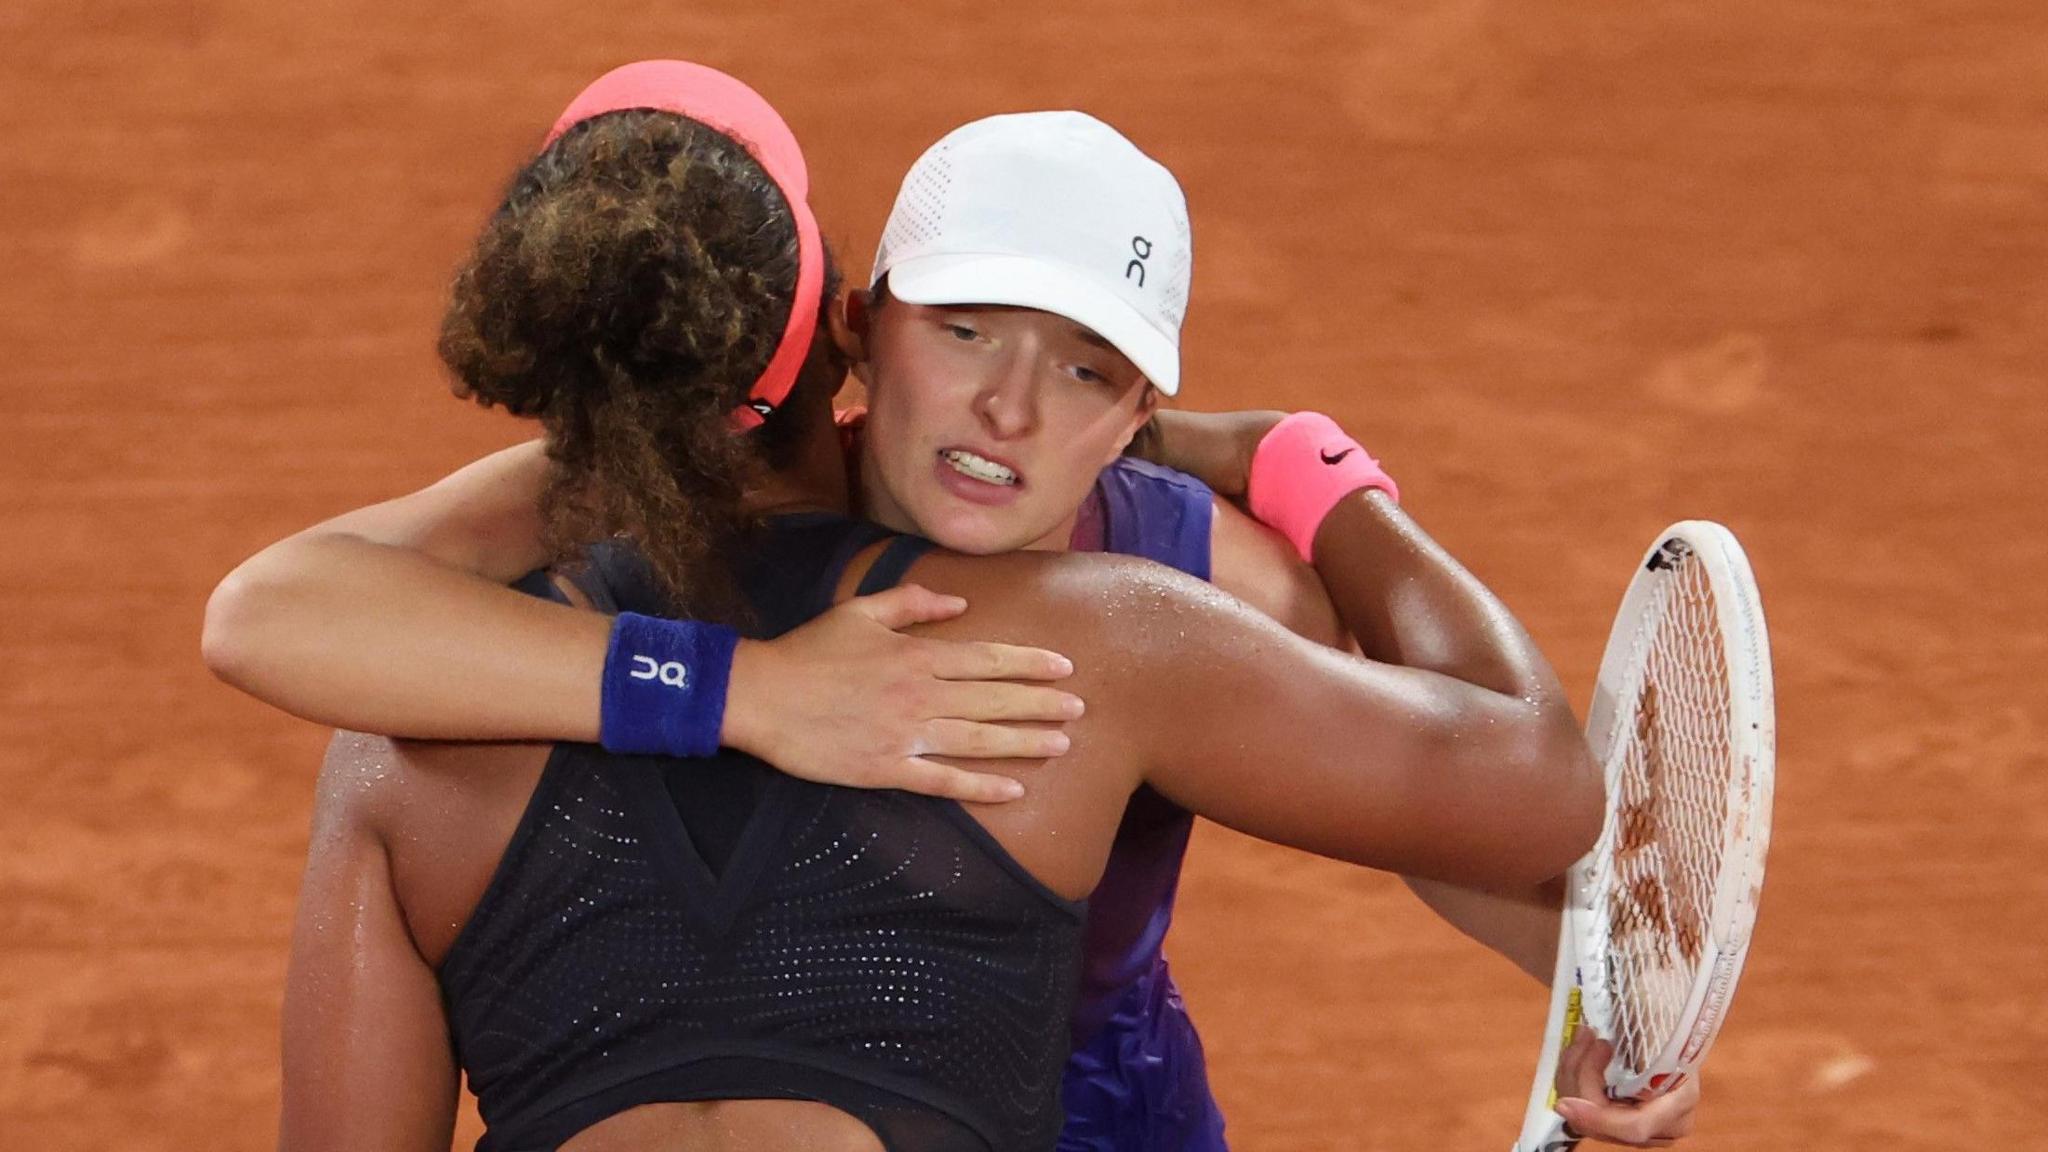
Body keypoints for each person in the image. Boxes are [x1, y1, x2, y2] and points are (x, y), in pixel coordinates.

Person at [207, 64, 1691, 1149]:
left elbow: (1419, 807)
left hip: (1101, 1101)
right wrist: (757, 692)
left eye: (1086, 373)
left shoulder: (1199, 576)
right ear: (860, 332)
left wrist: (1594, 1005)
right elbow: (276, 611)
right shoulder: (686, 481)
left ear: (1136, 410)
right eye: (966, 329)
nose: (1008, 409)